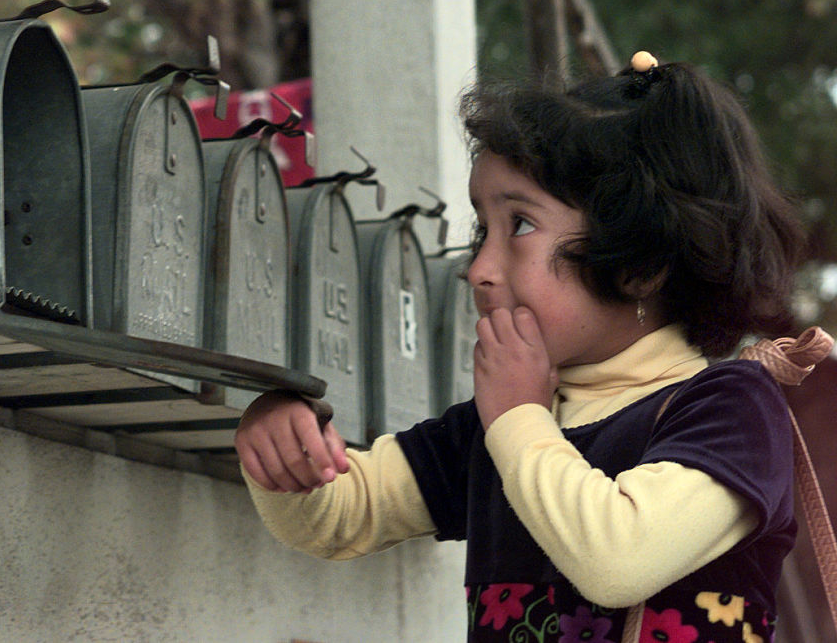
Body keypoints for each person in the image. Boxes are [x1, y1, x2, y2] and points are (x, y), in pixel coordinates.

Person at [234, 51, 810, 642]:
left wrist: (515, 417)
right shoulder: (500, 431)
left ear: (641, 263)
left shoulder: (732, 409)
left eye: (522, 226)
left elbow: (618, 561)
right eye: (483, 228)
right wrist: (278, 442)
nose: (478, 269)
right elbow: (338, 515)